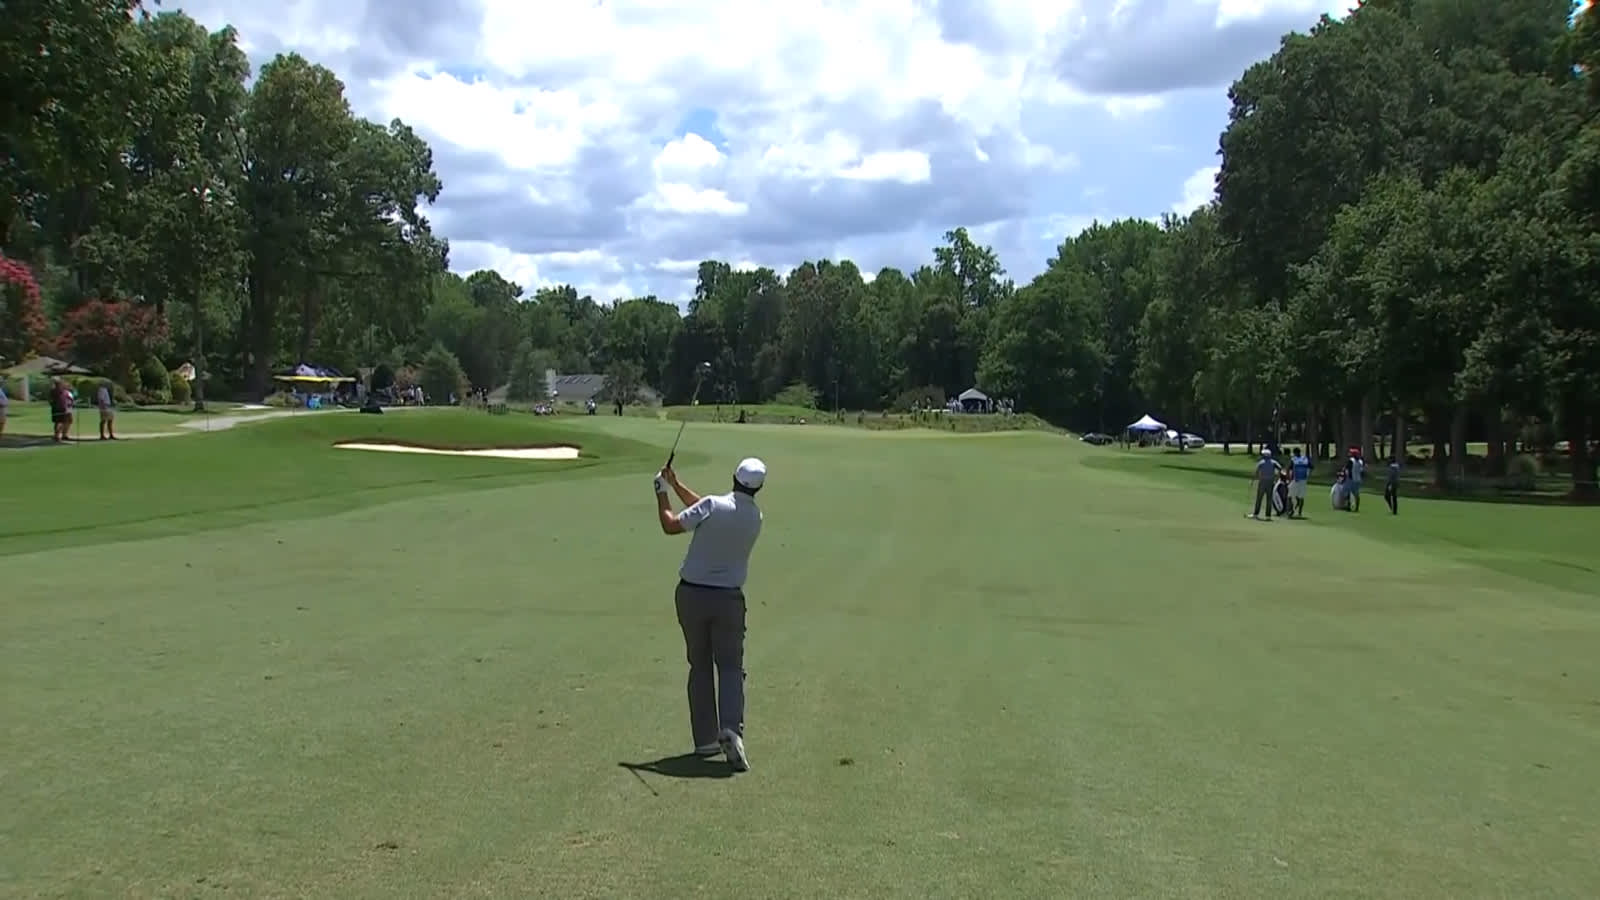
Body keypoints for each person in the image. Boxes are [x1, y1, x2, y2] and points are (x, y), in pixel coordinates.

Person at [654, 456, 767, 772]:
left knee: (700, 665)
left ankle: (705, 740)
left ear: (733, 477)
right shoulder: (755, 517)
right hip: (728, 601)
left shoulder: (713, 506)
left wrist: (661, 491)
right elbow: (704, 508)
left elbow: (672, 524)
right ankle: (731, 729)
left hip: (691, 596)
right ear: (758, 488)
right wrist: (676, 484)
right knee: (730, 667)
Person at [1249, 448, 1282, 520]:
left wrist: (1252, 480)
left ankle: (1256, 514)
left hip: (1263, 482)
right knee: (1269, 499)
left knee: (1259, 498)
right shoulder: (1274, 462)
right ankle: (1268, 516)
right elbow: (1280, 468)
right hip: (1271, 482)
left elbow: (1256, 472)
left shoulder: (1261, 462)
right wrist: (1277, 477)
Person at [1289, 447, 1312, 518]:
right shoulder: (1305, 459)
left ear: (1295, 453)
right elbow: (1311, 467)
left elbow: (1290, 468)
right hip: (1303, 480)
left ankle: (1291, 511)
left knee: (1290, 495)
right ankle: (1299, 513)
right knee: (1301, 496)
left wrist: (1289, 478)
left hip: (1295, 480)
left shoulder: (1294, 459)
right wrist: (1307, 474)